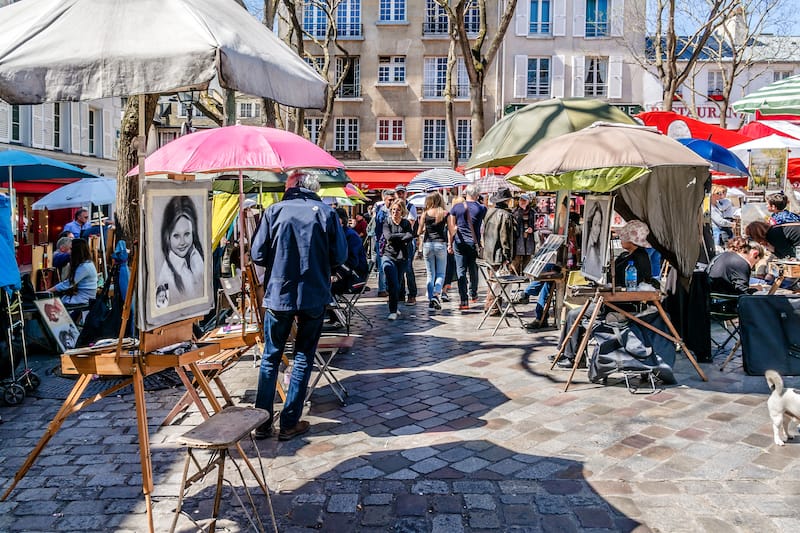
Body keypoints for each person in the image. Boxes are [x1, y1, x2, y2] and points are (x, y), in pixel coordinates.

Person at [251, 170, 347, 441]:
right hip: (313, 293)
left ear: (293, 185)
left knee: (271, 357)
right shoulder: (325, 213)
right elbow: (340, 255)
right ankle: (290, 421)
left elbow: (257, 254)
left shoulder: (274, 211)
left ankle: (263, 422)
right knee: (303, 356)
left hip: (279, 293)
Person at [554, 220, 653, 369]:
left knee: (574, 314)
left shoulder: (639, 258)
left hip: (619, 305)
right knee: (574, 313)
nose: (621, 239)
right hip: (611, 300)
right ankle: (565, 352)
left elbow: (632, 285)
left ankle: (571, 356)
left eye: (624, 236)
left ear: (632, 240)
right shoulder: (628, 255)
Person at [156, 196, 205, 307]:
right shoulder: (167, 276)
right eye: (176, 236)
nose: (182, 242)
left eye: (187, 234)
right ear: (167, 237)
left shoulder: (196, 258)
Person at [448, 184, 486, 311]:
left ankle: (463, 300)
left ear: (466, 193)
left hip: (459, 242)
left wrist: (450, 243)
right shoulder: (481, 208)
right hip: (473, 243)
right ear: (477, 194)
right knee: (473, 269)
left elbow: (452, 228)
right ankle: (473, 293)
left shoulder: (456, 207)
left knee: (461, 271)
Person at [481, 188, 515, 315]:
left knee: (493, 280)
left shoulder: (489, 212)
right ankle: (492, 307)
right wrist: (507, 255)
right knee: (497, 281)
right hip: (498, 254)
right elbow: (505, 237)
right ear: (506, 200)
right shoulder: (505, 215)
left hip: (489, 251)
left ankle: (492, 306)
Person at [381, 201, 414, 320]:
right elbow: (388, 237)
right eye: (393, 210)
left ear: (402, 211)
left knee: (398, 284)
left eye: (398, 210)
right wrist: (402, 236)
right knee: (393, 283)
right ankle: (393, 310)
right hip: (388, 256)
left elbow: (410, 236)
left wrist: (398, 237)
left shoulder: (405, 223)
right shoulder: (387, 222)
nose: (395, 212)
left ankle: (394, 305)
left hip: (402, 257)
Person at [417, 191, 449, 310]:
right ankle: (436, 294)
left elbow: (418, 232)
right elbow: (451, 230)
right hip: (440, 244)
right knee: (441, 273)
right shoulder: (445, 213)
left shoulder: (425, 214)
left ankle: (431, 300)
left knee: (430, 274)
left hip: (428, 244)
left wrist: (425, 228)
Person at [48, 238, 98, 306]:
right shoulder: (87, 263)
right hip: (85, 296)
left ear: (77, 251)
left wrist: (49, 290)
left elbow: (68, 283)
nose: (69, 252)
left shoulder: (85, 266)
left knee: (57, 303)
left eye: (71, 249)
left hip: (84, 298)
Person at [394, 185, 418, 305]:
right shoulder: (393, 207)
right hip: (397, 241)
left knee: (408, 268)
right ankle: (401, 293)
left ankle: (412, 294)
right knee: (399, 267)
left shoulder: (410, 207)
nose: (400, 195)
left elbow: (410, 225)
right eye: (398, 193)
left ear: (406, 194)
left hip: (407, 241)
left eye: (402, 193)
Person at [373, 189, 395, 297]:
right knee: (382, 266)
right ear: (384, 200)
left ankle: (387, 287)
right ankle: (382, 289)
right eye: (389, 200)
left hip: (389, 241)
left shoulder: (392, 210)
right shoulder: (382, 211)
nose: (391, 202)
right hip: (382, 242)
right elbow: (378, 229)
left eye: (393, 200)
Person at [512, 193, 537, 275]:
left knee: (527, 260)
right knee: (516, 261)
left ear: (528, 202)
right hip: (518, 240)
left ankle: (525, 278)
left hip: (529, 239)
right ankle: (514, 277)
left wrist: (532, 229)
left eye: (524, 200)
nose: (522, 202)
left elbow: (537, 224)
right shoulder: (514, 212)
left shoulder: (533, 212)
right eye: (521, 200)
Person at [581, 200, 605, 281]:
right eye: (595, 224)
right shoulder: (590, 250)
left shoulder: (595, 250)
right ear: (590, 225)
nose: (597, 229)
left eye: (599, 224)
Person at [710, 184, 737, 248]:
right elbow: (720, 221)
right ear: (713, 194)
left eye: (722, 193)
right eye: (718, 193)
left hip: (720, 232)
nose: (721, 195)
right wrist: (731, 224)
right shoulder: (711, 207)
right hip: (717, 232)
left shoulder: (717, 204)